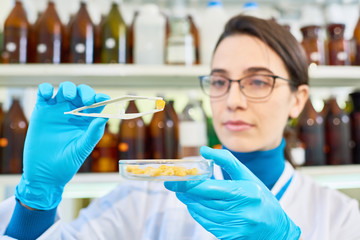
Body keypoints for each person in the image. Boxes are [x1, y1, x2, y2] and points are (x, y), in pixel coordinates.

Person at [0, 15, 359, 240]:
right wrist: (36, 203)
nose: (232, 100)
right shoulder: (148, 195)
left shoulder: (340, 217)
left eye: (258, 81)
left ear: (299, 99)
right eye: (220, 82)